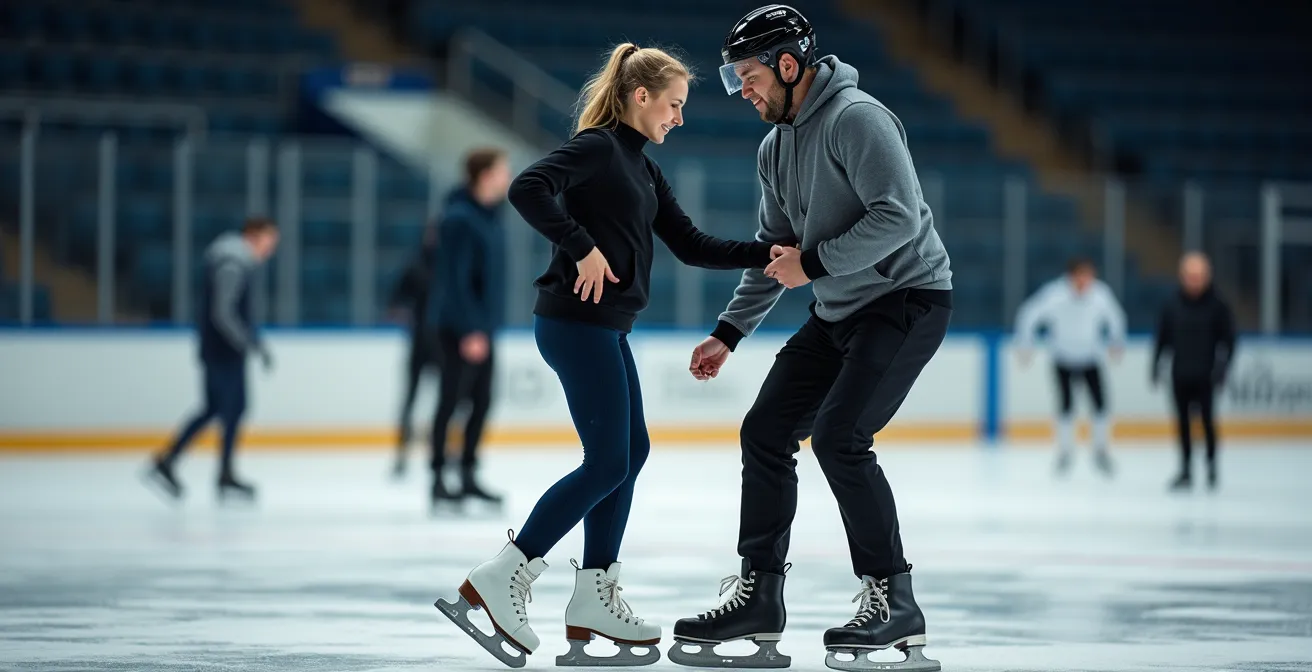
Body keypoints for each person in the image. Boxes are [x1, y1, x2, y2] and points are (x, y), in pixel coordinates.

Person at [434, 43, 781, 668]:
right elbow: (527, 187)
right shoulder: (597, 147)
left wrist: (768, 254)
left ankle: (595, 590)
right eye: (673, 105)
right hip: (574, 323)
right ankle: (501, 576)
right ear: (639, 97)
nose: (679, 117)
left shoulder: (643, 169)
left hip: (606, 329)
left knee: (629, 454)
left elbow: (693, 244)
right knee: (606, 462)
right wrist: (582, 245)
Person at [668, 6, 952, 672]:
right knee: (765, 431)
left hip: (906, 300)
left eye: (751, 77)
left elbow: (900, 217)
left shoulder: (859, 119)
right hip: (838, 310)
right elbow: (777, 254)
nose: (746, 92)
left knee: (840, 437)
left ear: (789, 65)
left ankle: (894, 600)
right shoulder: (775, 147)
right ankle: (760, 595)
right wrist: (728, 333)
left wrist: (814, 267)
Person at [144, 217, 279, 503]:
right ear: (254, 236)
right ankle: (174, 462)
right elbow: (223, 312)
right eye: (269, 240)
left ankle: (215, 471)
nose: (271, 248)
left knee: (229, 408)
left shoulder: (236, 262)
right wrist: (248, 342)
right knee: (221, 407)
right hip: (222, 350)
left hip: (225, 348)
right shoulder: (232, 263)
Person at [423, 148, 512, 509]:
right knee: (451, 399)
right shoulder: (459, 218)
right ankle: (439, 477)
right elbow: (455, 280)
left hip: (482, 327)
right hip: (458, 327)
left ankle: (469, 474)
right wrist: (471, 330)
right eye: (503, 171)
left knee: (482, 400)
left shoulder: (490, 217)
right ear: (485, 175)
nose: (508, 177)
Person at [1013, 258, 1126, 477]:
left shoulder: (1100, 294)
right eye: (1083, 276)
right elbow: (1029, 315)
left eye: (1090, 276)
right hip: (1062, 357)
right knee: (1065, 406)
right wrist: (1025, 344)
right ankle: (1065, 452)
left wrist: (1116, 341)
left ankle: (1101, 450)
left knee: (1100, 405)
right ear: (1071, 276)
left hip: (1091, 357)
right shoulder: (1055, 295)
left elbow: (1116, 318)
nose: (1087, 281)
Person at [1152, 252, 1236, 492]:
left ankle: (1211, 466)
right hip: (1180, 373)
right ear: (1182, 276)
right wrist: (1156, 365)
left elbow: (1229, 340)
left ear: (1207, 276)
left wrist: (1222, 367)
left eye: (1199, 275)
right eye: (1190, 275)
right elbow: (1162, 337)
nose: (1194, 280)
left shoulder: (1218, 305)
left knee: (1208, 421)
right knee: (1183, 424)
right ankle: (1186, 469)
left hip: (1206, 374)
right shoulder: (1172, 304)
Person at [388, 222, 440, 480]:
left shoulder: (449, 266)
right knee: (410, 401)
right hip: (420, 343)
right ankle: (401, 455)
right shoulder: (416, 266)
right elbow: (395, 302)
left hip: (443, 343)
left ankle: (440, 455)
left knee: (447, 403)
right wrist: (403, 312)